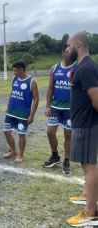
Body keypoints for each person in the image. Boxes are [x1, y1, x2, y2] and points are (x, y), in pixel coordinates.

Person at [65, 32, 98, 227]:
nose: (67, 49)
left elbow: (96, 100)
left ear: (78, 44)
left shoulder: (86, 68)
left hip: (87, 124)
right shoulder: (84, 66)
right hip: (83, 124)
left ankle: (91, 213)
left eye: (68, 45)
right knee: (88, 166)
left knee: (90, 167)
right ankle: (88, 197)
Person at [43, 48, 75, 174]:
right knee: (50, 132)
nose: (69, 53)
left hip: (70, 109)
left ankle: (67, 161)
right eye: (66, 51)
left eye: (71, 52)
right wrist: (47, 105)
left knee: (68, 135)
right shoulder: (55, 68)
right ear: (62, 52)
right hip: (55, 107)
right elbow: (50, 88)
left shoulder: (77, 67)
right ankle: (55, 156)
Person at [3, 60, 39, 163]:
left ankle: (20, 155)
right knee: (6, 131)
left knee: (21, 134)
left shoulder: (32, 81)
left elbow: (36, 99)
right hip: (11, 112)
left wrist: (32, 115)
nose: (14, 72)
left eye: (15, 70)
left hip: (23, 114)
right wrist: (8, 105)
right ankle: (13, 151)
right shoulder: (14, 79)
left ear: (21, 69)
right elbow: (12, 92)